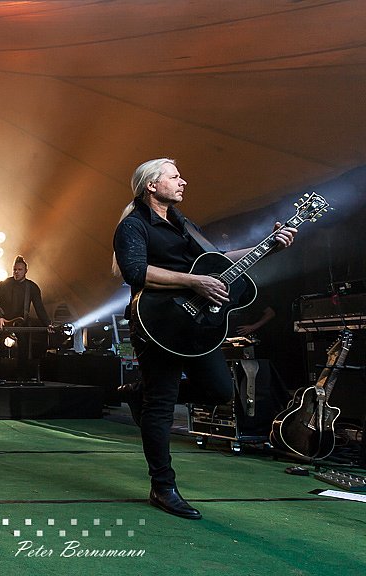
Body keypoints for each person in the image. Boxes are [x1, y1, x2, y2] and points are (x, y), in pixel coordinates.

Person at [113, 158, 296, 519]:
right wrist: (193, 281)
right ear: (152, 185)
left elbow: (221, 260)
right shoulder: (133, 225)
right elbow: (135, 271)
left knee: (220, 391)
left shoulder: (185, 225)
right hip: (157, 322)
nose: (183, 181)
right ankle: (162, 486)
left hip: (196, 327)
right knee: (161, 406)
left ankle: (140, 392)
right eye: (174, 176)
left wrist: (268, 246)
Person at [0, 256, 52, 380]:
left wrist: (48, 324)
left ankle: (21, 376)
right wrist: (0, 317)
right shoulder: (5, 283)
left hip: (21, 322)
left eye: (20, 270)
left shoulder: (32, 287)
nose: (16, 272)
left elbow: (39, 308)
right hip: (4, 320)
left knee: (24, 348)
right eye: (15, 269)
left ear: (26, 271)